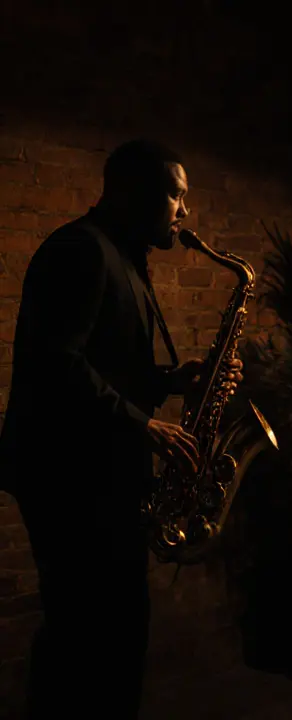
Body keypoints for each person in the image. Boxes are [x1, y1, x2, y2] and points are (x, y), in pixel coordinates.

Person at [0, 138, 242, 718]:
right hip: (70, 480)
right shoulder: (81, 250)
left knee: (113, 634)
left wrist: (171, 380)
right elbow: (56, 363)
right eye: (176, 195)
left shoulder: (120, 254)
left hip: (98, 475)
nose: (185, 211)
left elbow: (103, 367)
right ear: (134, 192)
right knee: (86, 638)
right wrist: (145, 426)